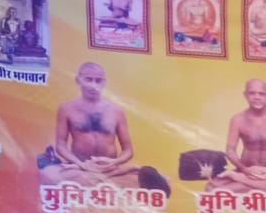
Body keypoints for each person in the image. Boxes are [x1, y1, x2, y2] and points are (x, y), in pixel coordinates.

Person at [38, 62, 170, 194]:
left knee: (163, 180)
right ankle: (96, 183)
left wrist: (114, 162)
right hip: (80, 168)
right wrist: (80, 164)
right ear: (78, 80)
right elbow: (61, 145)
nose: (93, 85)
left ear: (104, 82)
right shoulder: (66, 108)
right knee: (49, 174)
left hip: (111, 170)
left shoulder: (116, 111)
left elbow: (128, 150)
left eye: (98, 80)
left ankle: (97, 183)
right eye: (88, 79)